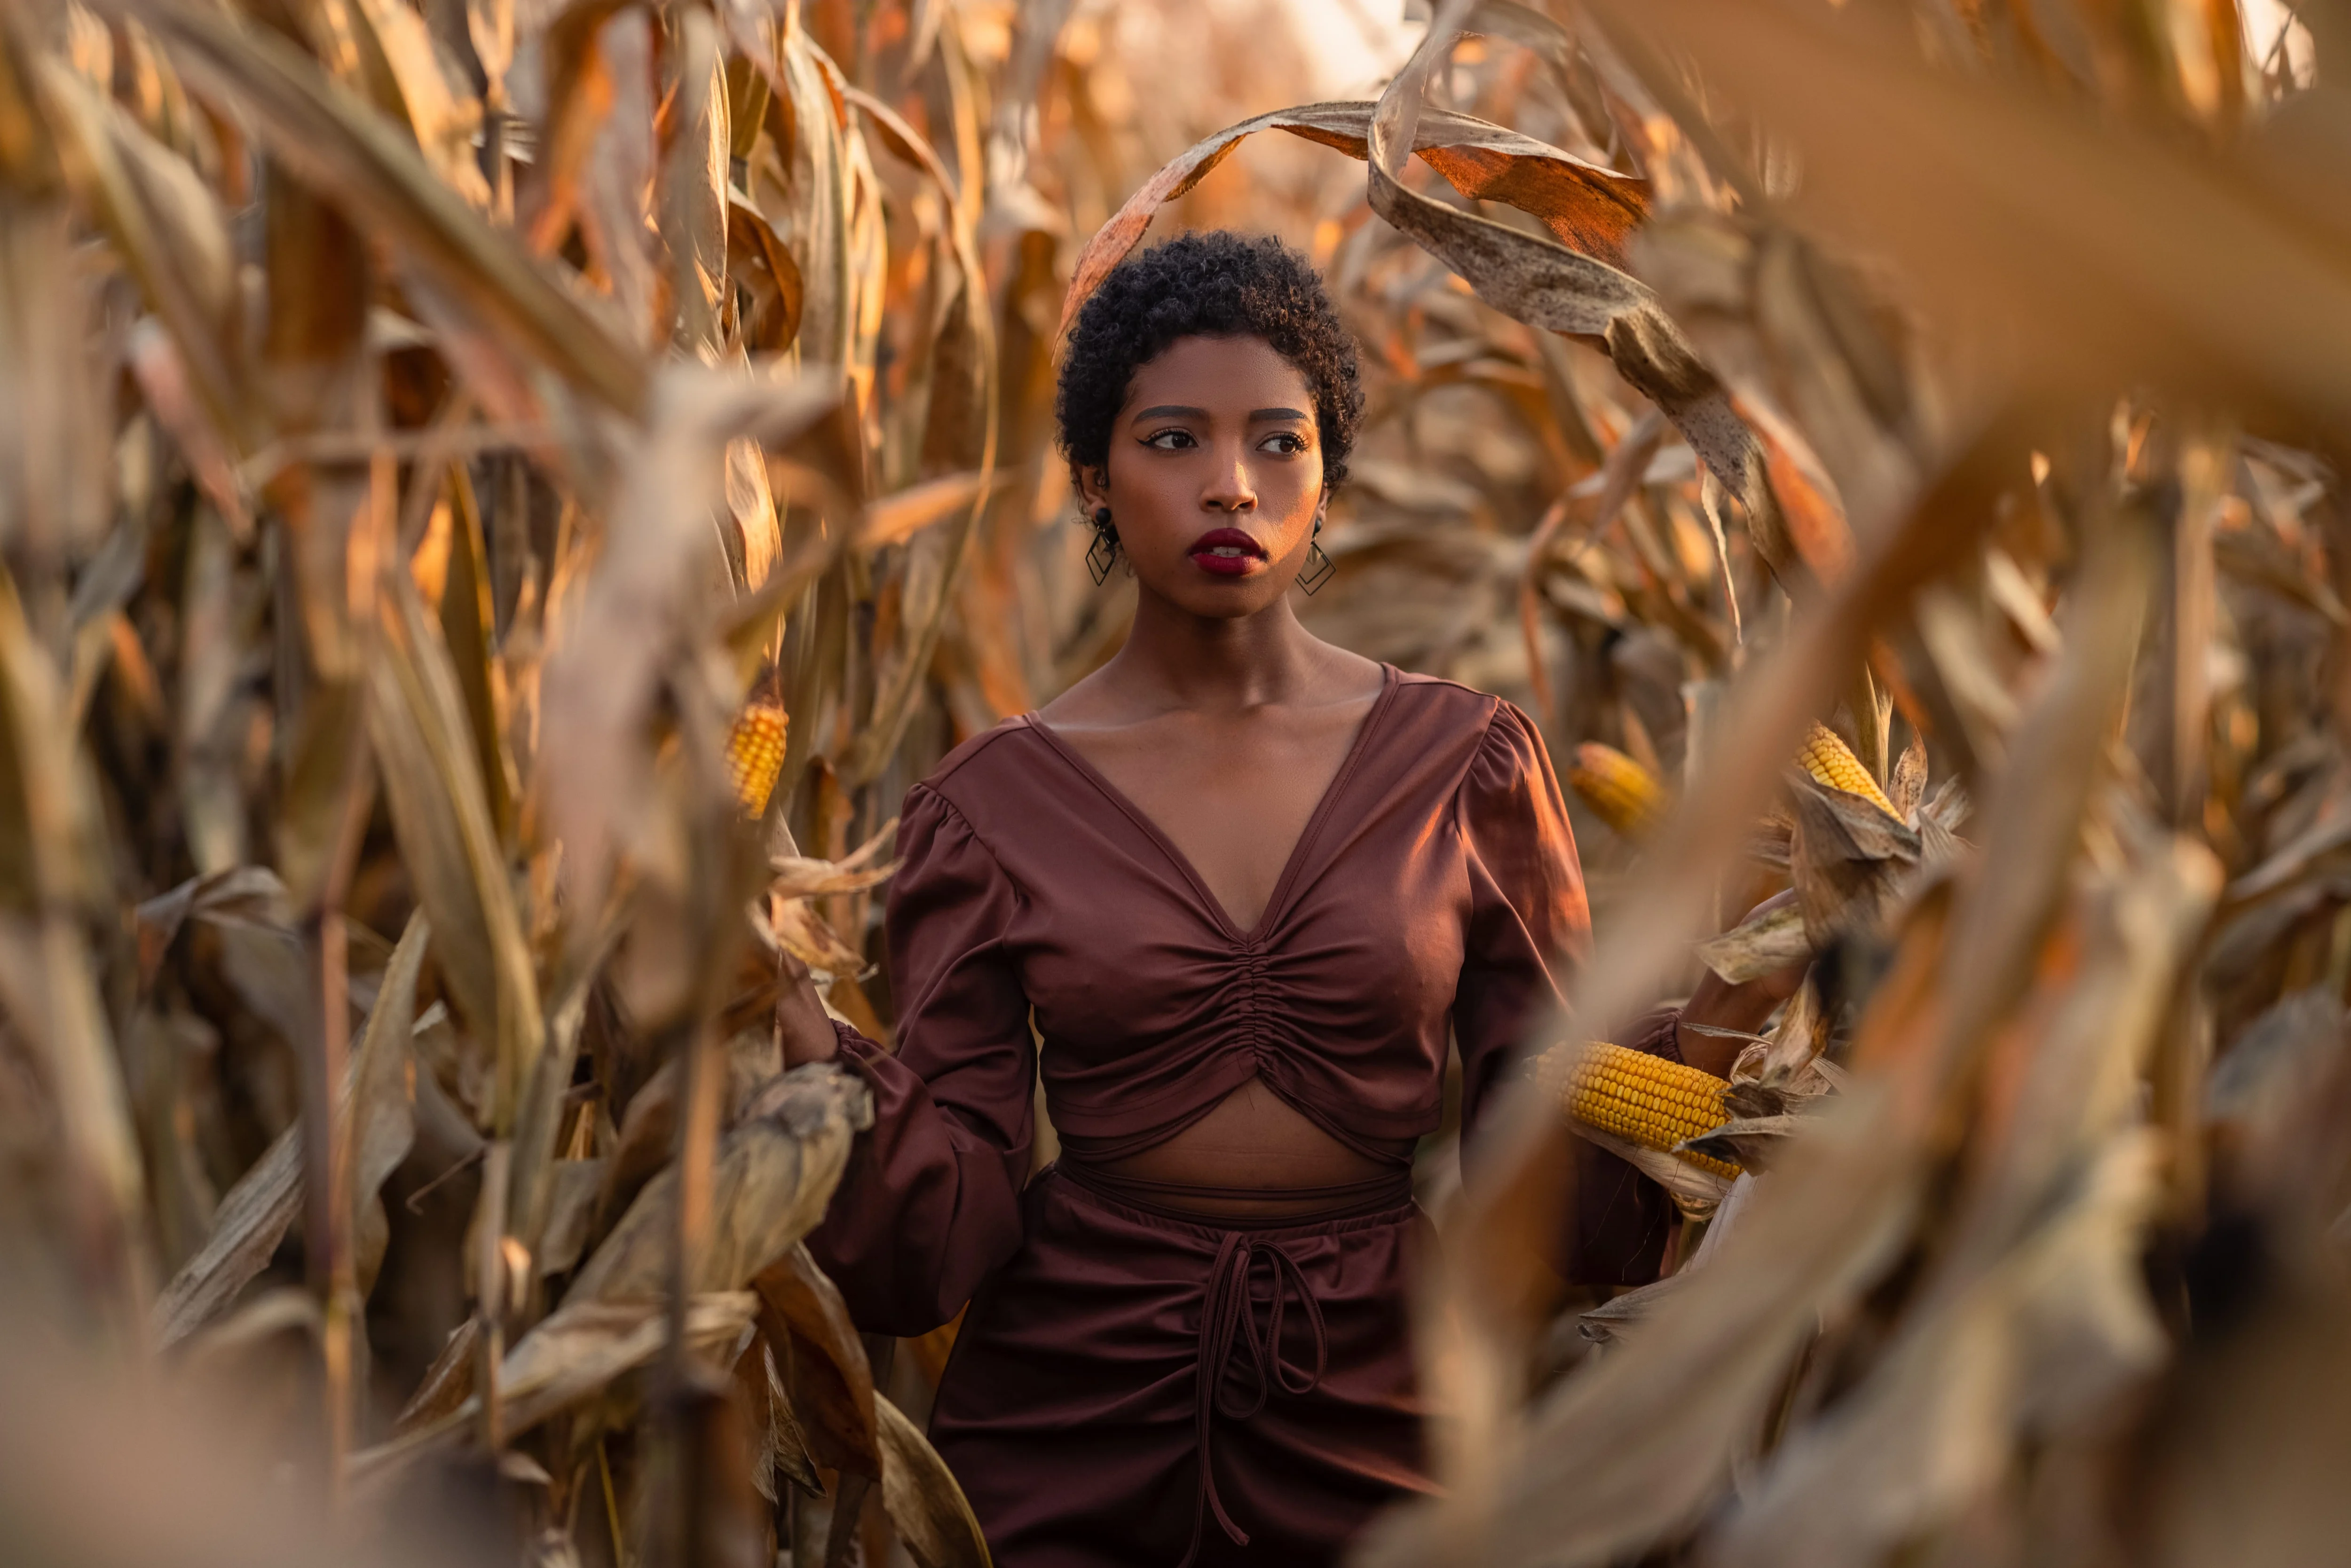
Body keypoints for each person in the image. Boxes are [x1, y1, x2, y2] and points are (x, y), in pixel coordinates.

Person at [780, 231, 1784, 1567]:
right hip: (1062, 1413)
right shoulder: (989, 806)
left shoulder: (1469, 767)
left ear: (1330, 476)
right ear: (1093, 476)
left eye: (1278, 443)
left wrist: (1747, 983)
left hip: (1379, 1404)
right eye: (1176, 440)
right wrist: (780, 1015)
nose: (1231, 488)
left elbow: (1553, 1174)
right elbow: (946, 1225)